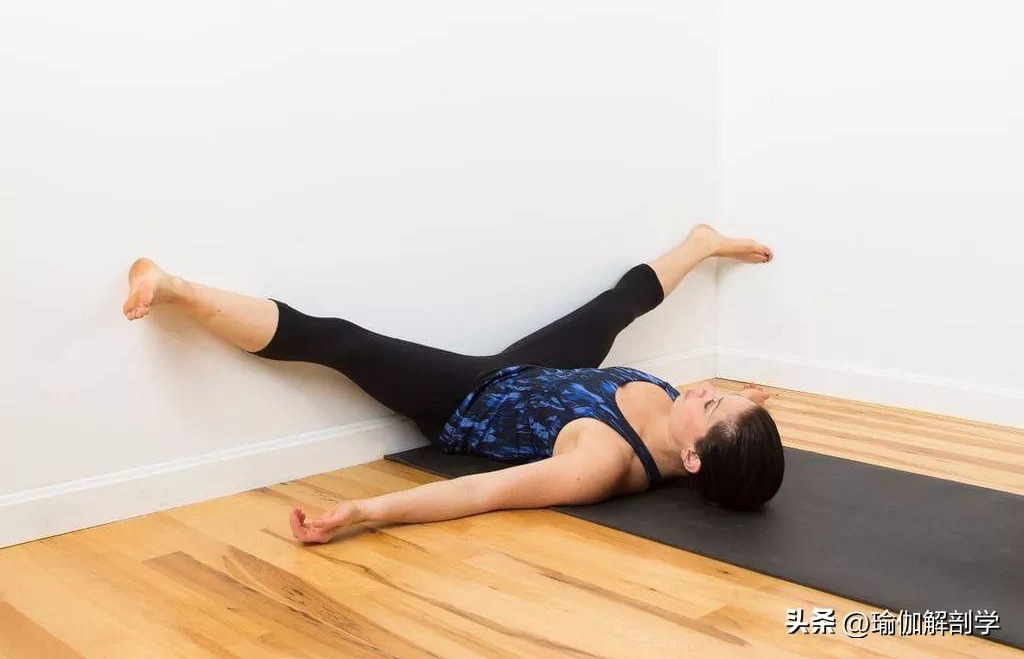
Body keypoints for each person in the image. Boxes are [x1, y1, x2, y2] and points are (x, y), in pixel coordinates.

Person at [122, 223, 783, 545]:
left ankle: (175, 288)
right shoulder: (684, 423)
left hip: (470, 396)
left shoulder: (601, 463)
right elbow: (719, 426)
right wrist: (744, 407)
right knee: (617, 306)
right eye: (717, 393)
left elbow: (480, 494)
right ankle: (700, 242)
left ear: (691, 458)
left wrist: (365, 513)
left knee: (341, 341)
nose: (704, 391)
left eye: (711, 406)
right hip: (544, 372)